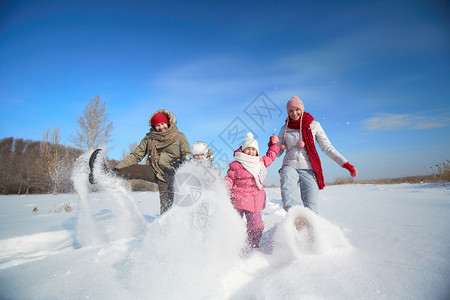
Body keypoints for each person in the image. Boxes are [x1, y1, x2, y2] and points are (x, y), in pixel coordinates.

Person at [89, 109, 191, 215]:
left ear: (168, 122)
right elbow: (136, 156)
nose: (161, 128)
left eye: (162, 124)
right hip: (155, 170)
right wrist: (118, 168)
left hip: (172, 173)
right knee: (135, 169)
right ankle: (107, 174)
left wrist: (181, 163)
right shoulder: (149, 139)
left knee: (166, 207)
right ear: (153, 127)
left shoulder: (179, 136)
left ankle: (166, 227)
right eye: (157, 125)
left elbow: (187, 154)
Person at [277, 96, 357, 213]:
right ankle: (296, 215)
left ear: (302, 109)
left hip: (309, 168)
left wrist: (345, 164)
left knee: (312, 209)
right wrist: (273, 144)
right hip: (290, 165)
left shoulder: (314, 125)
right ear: (288, 112)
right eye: (291, 111)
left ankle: (310, 226)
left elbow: (327, 147)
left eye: (297, 109)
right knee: (287, 183)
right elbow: (278, 152)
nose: (294, 113)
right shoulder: (284, 128)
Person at [225, 132, 280, 248]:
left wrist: (274, 144)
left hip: (254, 201)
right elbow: (229, 178)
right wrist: (225, 186)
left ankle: (252, 245)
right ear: (243, 150)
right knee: (234, 225)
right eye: (248, 149)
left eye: (253, 149)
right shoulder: (237, 164)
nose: (250, 152)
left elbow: (271, 156)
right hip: (237, 200)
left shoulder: (260, 163)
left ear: (257, 152)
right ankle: (233, 246)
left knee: (257, 226)